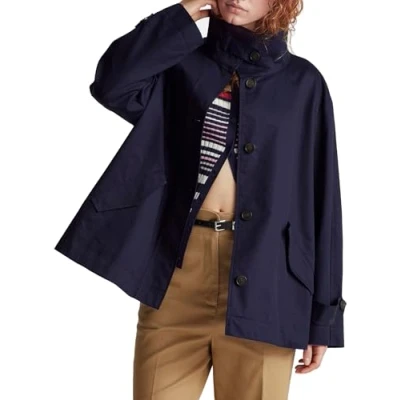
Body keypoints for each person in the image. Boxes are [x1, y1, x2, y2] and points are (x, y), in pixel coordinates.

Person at [54, 1, 346, 399]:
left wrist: (324, 319)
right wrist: (181, 15)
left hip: (269, 286)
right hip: (175, 278)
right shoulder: (182, 64)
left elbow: (323, 201)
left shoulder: (304, 84)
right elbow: (112, 85)